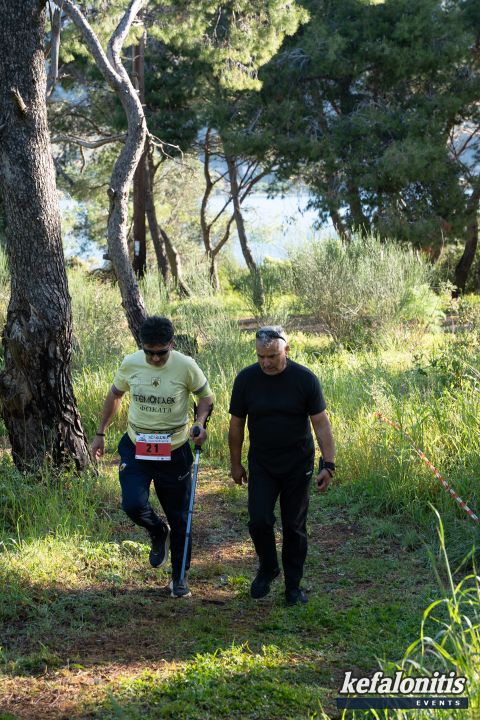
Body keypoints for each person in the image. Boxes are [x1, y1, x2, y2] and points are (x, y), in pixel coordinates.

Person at [92, 316, 213, 599]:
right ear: (141, 345)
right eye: (149, 352)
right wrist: (100, 432)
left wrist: (200, 423)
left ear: (172, 344)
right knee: (132, 504)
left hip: (174, 450)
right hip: (137, 446)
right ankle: (158, 531)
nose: (155, 358)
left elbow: (206, 398)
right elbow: (115, 395)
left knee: (180, 517)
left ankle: (179, 578)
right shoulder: (131, 363)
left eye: (161, 352)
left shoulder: (186, 365)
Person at [228, 326, 335, 606]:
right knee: (259, 519)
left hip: (297, 464)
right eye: (260, 356)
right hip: (262, 462)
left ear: (286, 350)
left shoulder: (305, 379)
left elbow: (321, 424)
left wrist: (329, 464)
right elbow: (236, 424)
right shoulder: (246, 379)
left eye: (272, 356)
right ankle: (268, 566)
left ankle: (293, 587)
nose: (266, 362)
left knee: (294, 526)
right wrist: (235, 463)